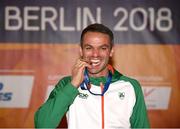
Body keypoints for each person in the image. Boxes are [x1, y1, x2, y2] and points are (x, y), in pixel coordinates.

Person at [34, 23, 150, 129]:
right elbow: (42, 125)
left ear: (111, 51)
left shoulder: (130, 86)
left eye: (103, 48)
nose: (95, 54)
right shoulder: (67, 84)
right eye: (89, 48)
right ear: (81, 50)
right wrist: (73, 85)